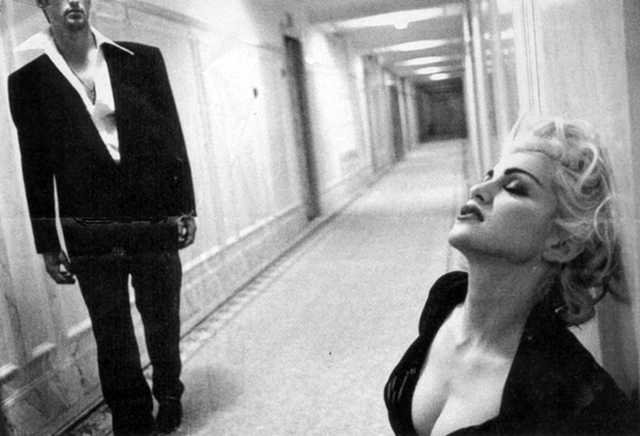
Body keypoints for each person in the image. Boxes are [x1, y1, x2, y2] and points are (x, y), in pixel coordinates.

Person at [8, 0, 197, 434]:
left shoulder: (141, 60)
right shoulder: (27, 82)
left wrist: (185, 205)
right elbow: (35, 169)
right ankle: (132, 416)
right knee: (111, 331)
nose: (73, 1)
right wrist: (47, 242)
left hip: (153, 218)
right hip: (88, 227)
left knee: (162, 318)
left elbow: (171, 135)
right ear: (44, 6)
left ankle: (169, 393)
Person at [384, 117, 639, 435]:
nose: (479, 190)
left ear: (561, 244)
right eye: (488, 177)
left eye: (515, 188)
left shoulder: (568, 389)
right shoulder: (446, 299)